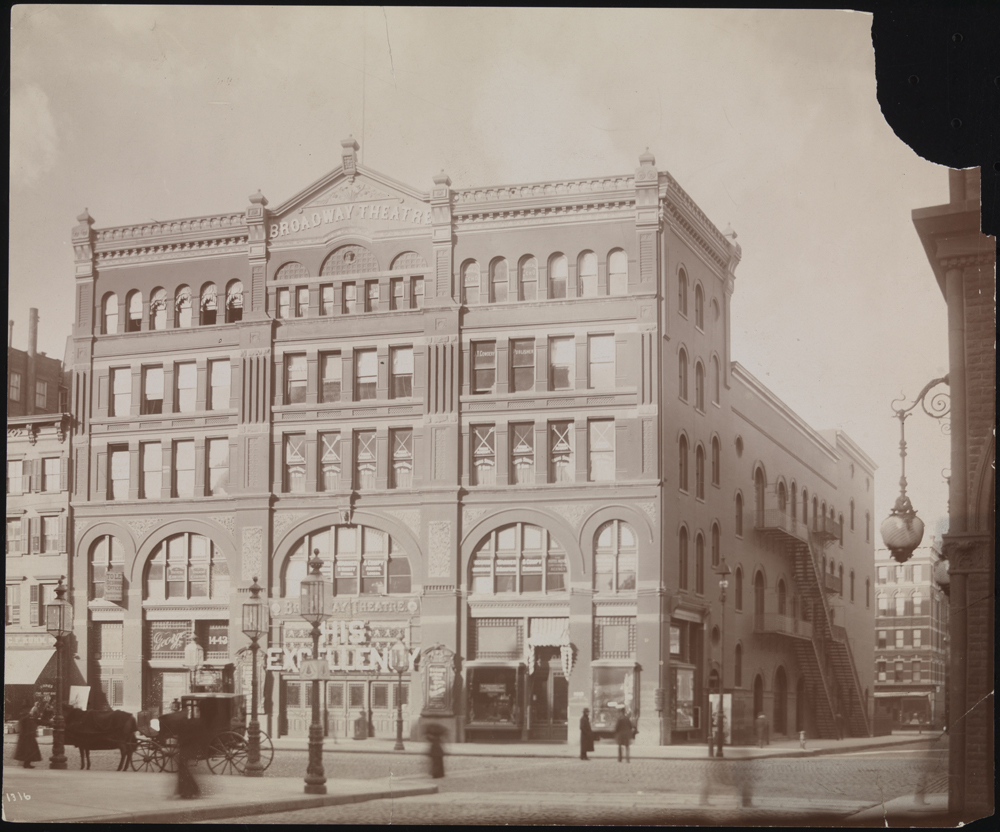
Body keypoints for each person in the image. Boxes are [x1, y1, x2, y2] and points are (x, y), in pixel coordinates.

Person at [14, 704, 43, 769]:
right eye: (27, 708)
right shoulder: (23, 715)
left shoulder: (29, 715)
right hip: (25, 735)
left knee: (31, 750)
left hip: (30, 735)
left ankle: (27, 763)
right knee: (27, 750)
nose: (28, 710)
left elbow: (34, 721)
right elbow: (22, 723)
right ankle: (26, 763)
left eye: (28, 708)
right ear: (24, 709)